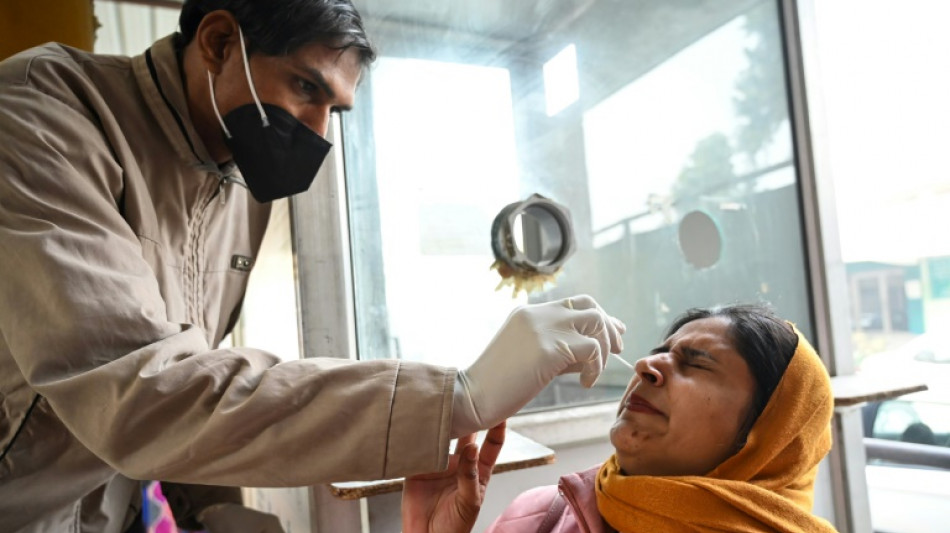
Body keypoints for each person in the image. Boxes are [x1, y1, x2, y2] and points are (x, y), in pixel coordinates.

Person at [0, 1, 626, 532]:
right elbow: (138, 393)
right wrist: (457, 396)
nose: (318, 132)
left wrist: (212, 512)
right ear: (219, 43)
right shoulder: (43, 114)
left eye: (337, 110)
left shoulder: (238, 175)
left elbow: (193, 363)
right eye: (305, 88)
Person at [402, 304, 838, 533]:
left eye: (696, 363)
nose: (646, 365)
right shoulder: (539, 517)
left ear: (770, 435)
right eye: (660, 352)